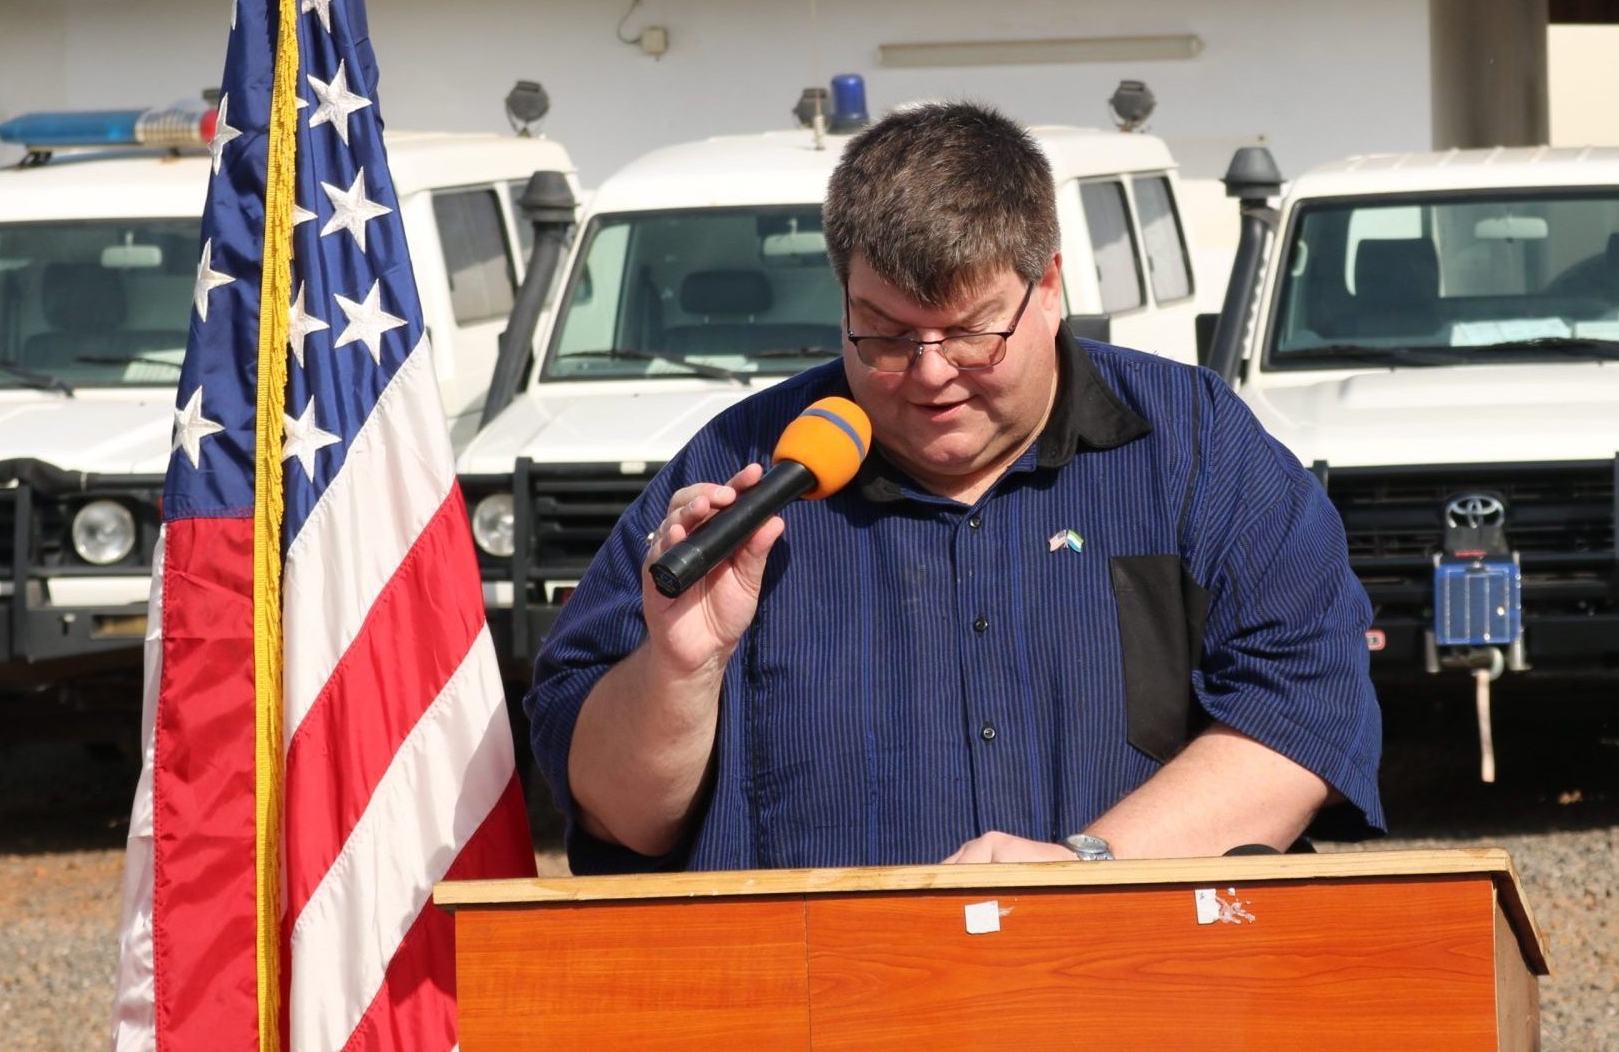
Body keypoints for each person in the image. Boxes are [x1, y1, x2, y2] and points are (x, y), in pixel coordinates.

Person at [526, 102, 1382, 872]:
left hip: (1137, 989)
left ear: (1048, 287)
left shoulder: (1193, 444)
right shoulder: (737, 466)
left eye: (971, 334)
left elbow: (1303, 708)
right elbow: (614, 812)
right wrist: (679, 667)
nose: (930, 375)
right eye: (886, 335)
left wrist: (1089, 865)